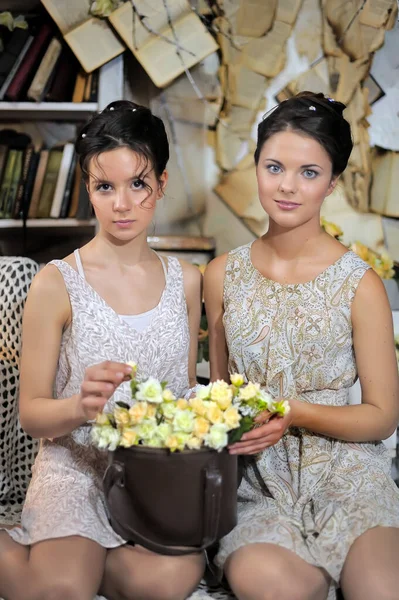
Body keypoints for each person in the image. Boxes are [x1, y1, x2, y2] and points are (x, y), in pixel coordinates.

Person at [0, 100, 204, 600]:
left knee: (174, 579)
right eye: (104, 186)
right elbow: (31, 414)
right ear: (87, 189)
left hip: (153, 477)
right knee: (63, 590)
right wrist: (79, 406)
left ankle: (93, 560)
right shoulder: (56, 282)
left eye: (138, 183)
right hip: (75, 468)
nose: (122, 203)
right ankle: (60, 558)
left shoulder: (188, 281)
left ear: (161, 182)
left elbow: (187, 390)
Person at [204, 91, 399, 600]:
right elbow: (220, 396)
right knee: (276, 590)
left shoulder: (361, 284)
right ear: (258, 168)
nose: (288, 186)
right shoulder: (221, 275)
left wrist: (294, 412)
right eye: (275, 167)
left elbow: (381, 417)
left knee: (380, 588)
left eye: (309, 173)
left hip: (350, 474)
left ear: (332, 182)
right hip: (257, 485)